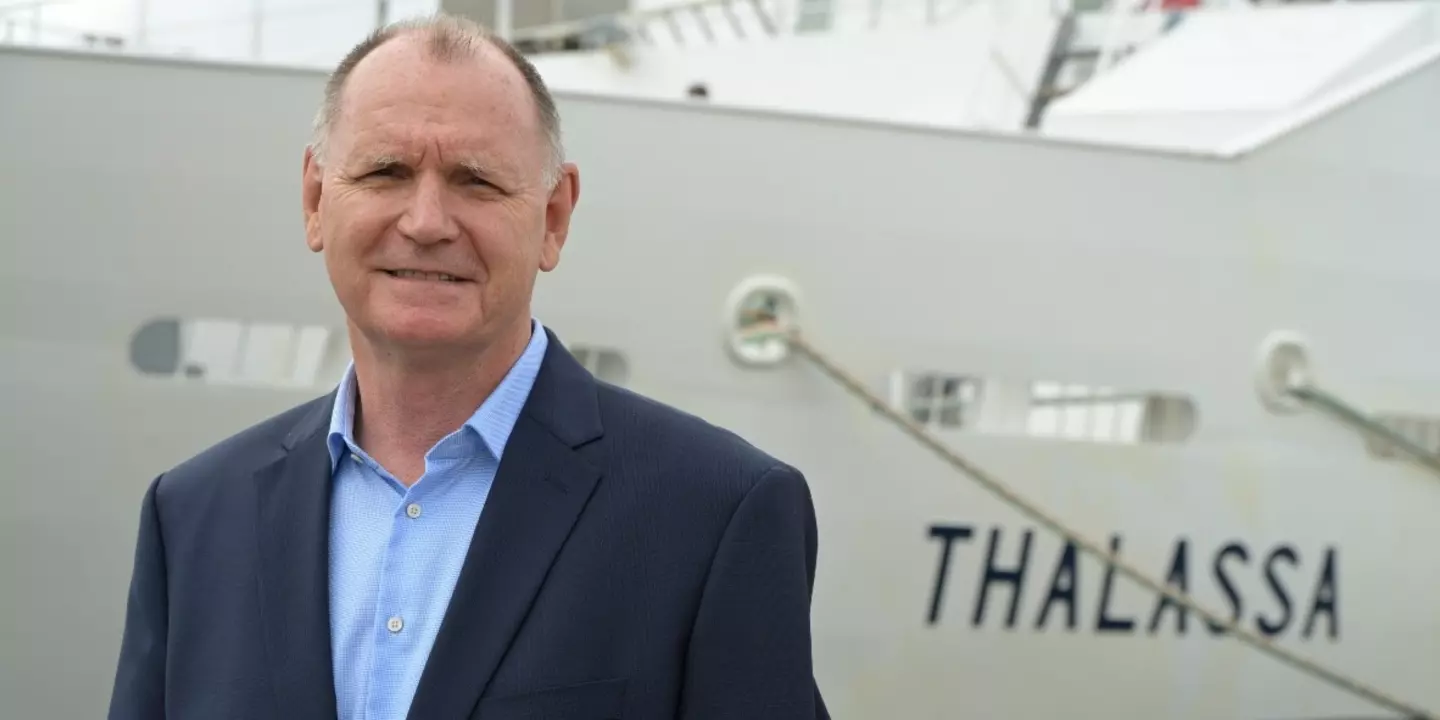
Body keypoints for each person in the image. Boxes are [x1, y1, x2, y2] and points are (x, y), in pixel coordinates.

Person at [107, 13, 828, 720]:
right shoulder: (194, 516)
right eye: (386, 171)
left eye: (476, 181)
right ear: (315, 200)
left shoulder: (716, 514)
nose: (425, 222)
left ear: (553, 218)